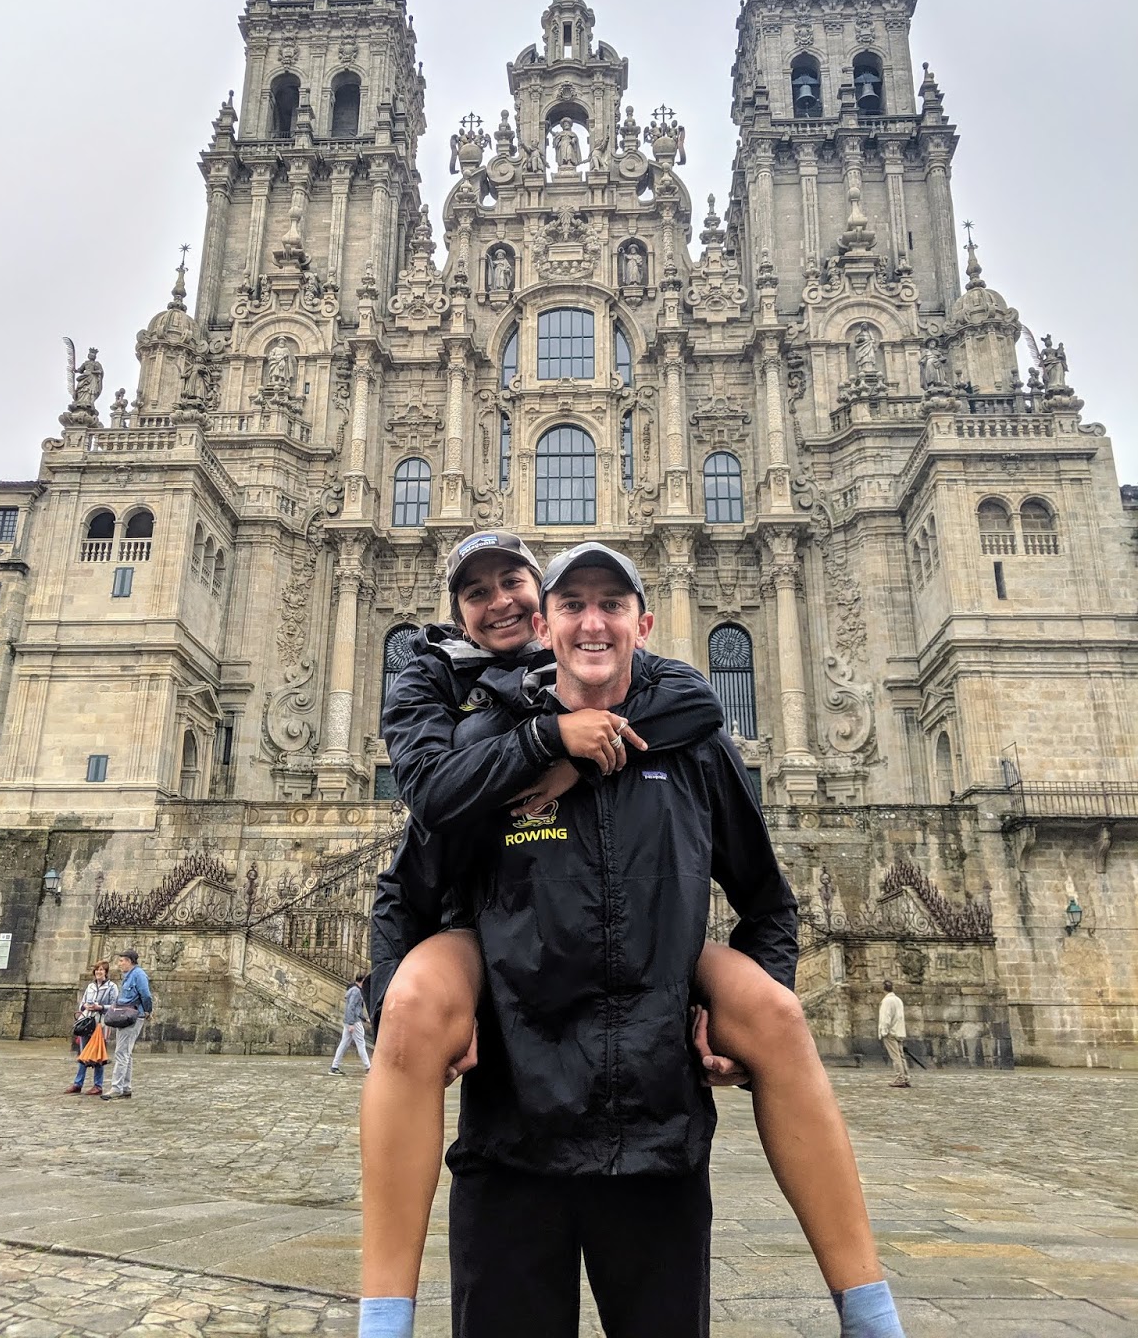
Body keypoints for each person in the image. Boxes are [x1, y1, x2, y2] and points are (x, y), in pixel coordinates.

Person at [361, 536, 906, 1338]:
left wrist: (733, 1020)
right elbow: (405, 886)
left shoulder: (692, 743)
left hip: (654, 1138)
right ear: (544, 631)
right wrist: (396, 1017)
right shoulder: (487, 752)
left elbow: (767, 902)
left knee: (774, 1011)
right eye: (573, 606)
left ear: (642, 626)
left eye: (611, 605)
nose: (592, 623)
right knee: (412, 999)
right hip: (515, 1139)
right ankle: (381, 1319)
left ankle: (869, 1312)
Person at [100, 949, 153, 1102]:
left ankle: (116, 1088)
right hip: (124, 1015)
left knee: (121, 1052)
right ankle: (125, 1087)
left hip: (133, 1016)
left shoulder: (138, 975)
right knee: (126, 1053)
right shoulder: (128, 975)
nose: (119, 964)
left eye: (122, 961)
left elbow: (146, 995)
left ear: (129, 961)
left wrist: (147, 1010)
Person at [65, 960, 118, 1095]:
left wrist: (100, 1007)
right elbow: (82, 1003)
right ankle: (78, 1083)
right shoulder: (90, 986)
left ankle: (98, 1085)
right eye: (97, 970)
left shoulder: (112, 987)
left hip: (101, 1024)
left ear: (106, 972)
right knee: (83, 1053)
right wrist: (85, 1006)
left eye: (101, 970)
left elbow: (114, 1006)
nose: (99, 972)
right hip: (87, 1022)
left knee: (98, 1053)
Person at [332, 974, 372, 1074]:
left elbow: (355, 1008)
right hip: (354, 1021)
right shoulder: (356, 991)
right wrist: (351, 1023)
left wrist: (364, 1019)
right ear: (363, 980)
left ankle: (334, 1066)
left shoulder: (353, 990)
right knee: (360, 1043)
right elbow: (351, 1007)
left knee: (344, 1044)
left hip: (350, 1021)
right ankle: (368, 1067)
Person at [879, 980, 910, 1089]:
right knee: (901, 1056)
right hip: (899, 1031)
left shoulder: (887, 1001)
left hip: (890, 1032)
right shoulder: (898, 1000)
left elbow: (885, 1017)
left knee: (895, 1056)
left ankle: (900, 1078)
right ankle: (906, 1077)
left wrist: (883, 1031)